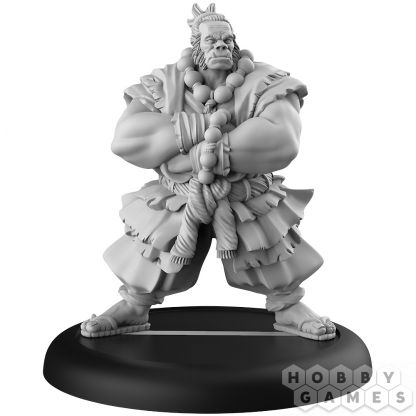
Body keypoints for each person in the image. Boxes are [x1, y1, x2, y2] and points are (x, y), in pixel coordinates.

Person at [81, 3, 336, 340]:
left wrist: (189, 157)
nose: (221, 47)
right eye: (212, 41)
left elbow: (280, 140)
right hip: (182, 193)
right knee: (157, 245)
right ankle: (134, 305)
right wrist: (203, 126)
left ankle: (288, 306)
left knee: (267, 247)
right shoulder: (165, 83)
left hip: (244, 194)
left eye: (228, 41)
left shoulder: (266, 81)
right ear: (196, 47)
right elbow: (127, 139)